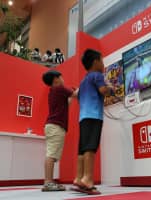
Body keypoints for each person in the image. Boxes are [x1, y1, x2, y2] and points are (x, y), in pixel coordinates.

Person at [72, 49, 113, 195]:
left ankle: (78, 177)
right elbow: (103, 90)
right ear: (96, 62)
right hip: (94, 116)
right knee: (91, 147)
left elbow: (77, 97)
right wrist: (111, 89)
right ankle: (88, 179)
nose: (103, 64)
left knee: (82, 149)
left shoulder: (83, 81)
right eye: (102, 61)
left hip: (83, 118)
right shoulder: (97, 75)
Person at [42, 70, 78, 192]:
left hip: (52, 126)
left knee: (52, 154)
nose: (63, 79)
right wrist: (78, 89)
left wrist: (73, 94)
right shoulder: (60, 88)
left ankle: (49, 182)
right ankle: (48, 182)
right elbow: (76, 94)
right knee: (51, 155)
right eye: (61, 77)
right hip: (56, 126)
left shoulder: (53, 91)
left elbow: (67, 102)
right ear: (56, 79)